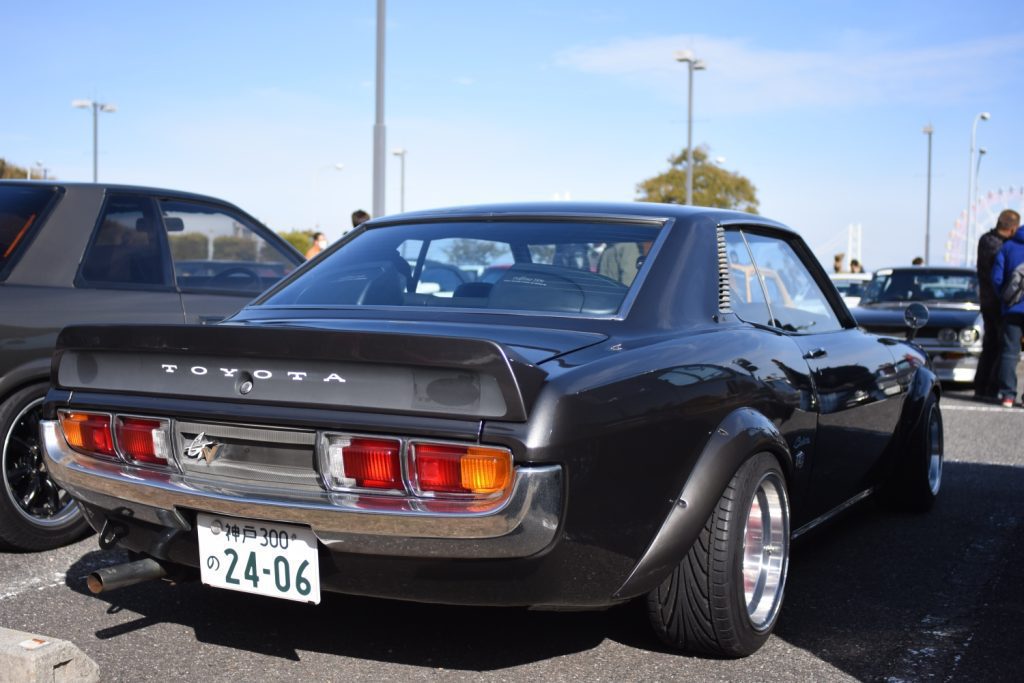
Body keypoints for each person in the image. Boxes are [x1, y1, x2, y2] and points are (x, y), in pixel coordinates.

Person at [975, 209, 1021, 398]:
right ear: (1013, 228)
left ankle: (982, 387)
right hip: (1002, 303)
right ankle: (990, 387)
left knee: (991, 346)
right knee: (1003, 348)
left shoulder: (985, 240)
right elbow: (1000, 277)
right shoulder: (1003, 246)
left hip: (988, 301)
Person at [992, 216, 1024, 408]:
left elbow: (996, 278)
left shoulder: (1008, 247)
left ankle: (1008, 395)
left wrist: (1005, 299)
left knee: (1009, 352)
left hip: (1012, 308)